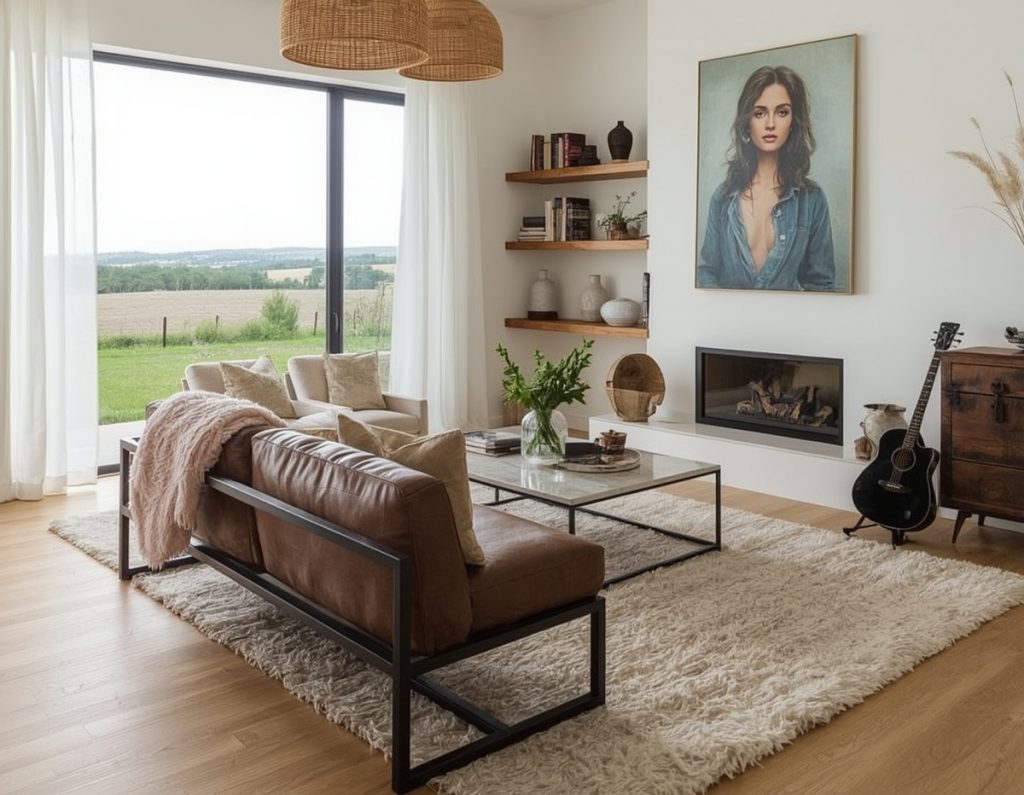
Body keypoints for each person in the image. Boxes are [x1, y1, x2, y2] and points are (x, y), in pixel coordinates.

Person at [697, 65, 835, 290]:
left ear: (793, 122)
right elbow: (707, 274)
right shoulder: (722, 198)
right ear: (747, 123)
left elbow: (822, 284)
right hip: (728, 321)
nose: (770, 123)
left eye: (782, 112)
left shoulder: (812, 199)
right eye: (759, 113)